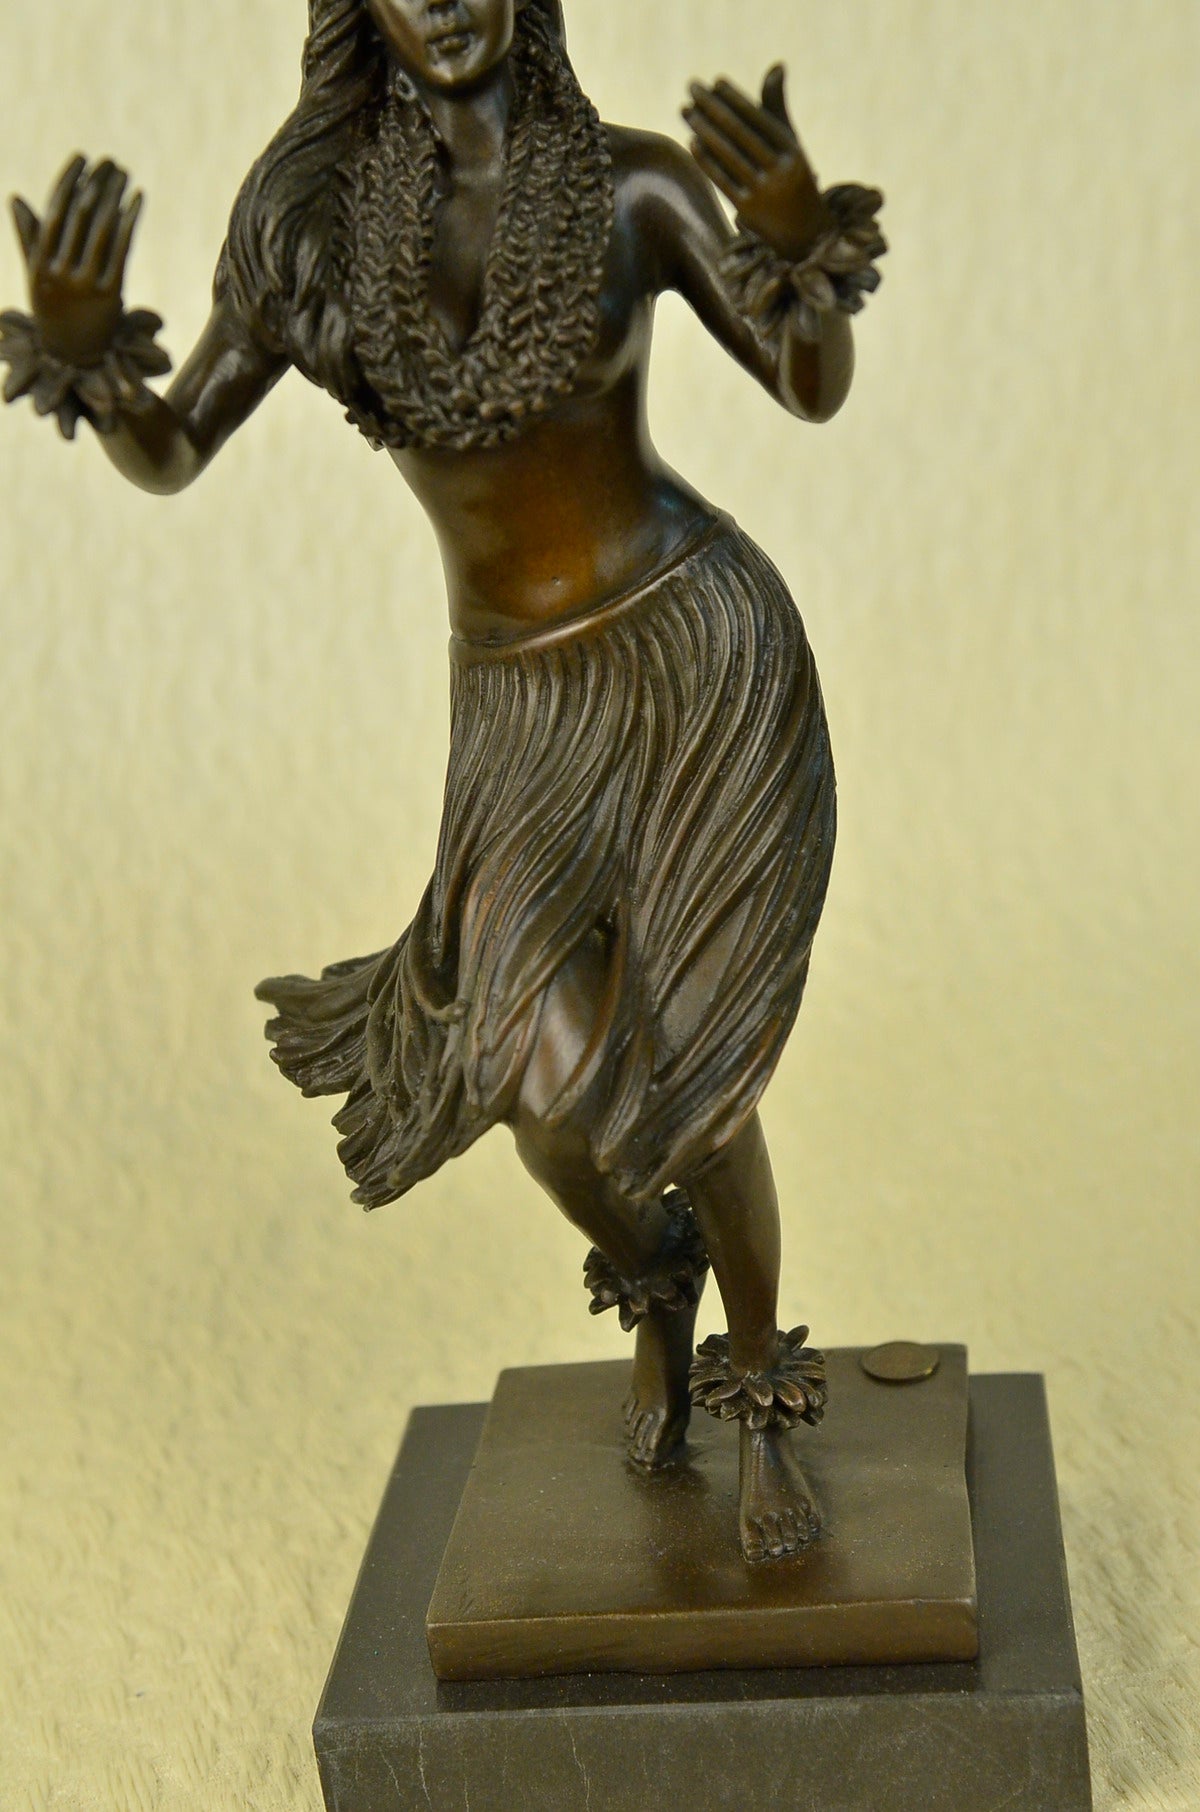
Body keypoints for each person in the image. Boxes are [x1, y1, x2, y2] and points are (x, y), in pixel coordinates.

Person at [1, 0, 884, 1563]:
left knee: (694, 1085)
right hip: (517, 706)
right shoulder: (316, 236)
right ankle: (659, 1289)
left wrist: (797, 245)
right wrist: (89, 362)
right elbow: (175, 447)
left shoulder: (633, 187)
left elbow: (810, 389)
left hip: (695, 655)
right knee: (544, 1090)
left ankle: (756, 1391)